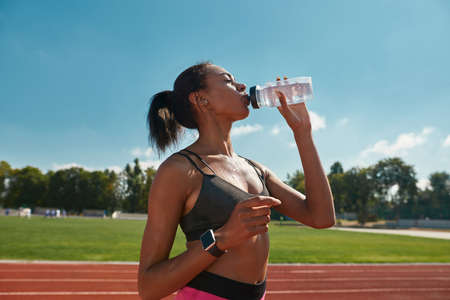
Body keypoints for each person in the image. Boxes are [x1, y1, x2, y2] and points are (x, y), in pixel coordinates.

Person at [138, 62, 335, 300]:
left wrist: (303, 132)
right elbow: (149, 287)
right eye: (228, 80)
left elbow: (321, 217)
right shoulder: (178, 170)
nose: (242, 86)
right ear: (201, 99)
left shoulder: (255, 169)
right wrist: (222, 239)